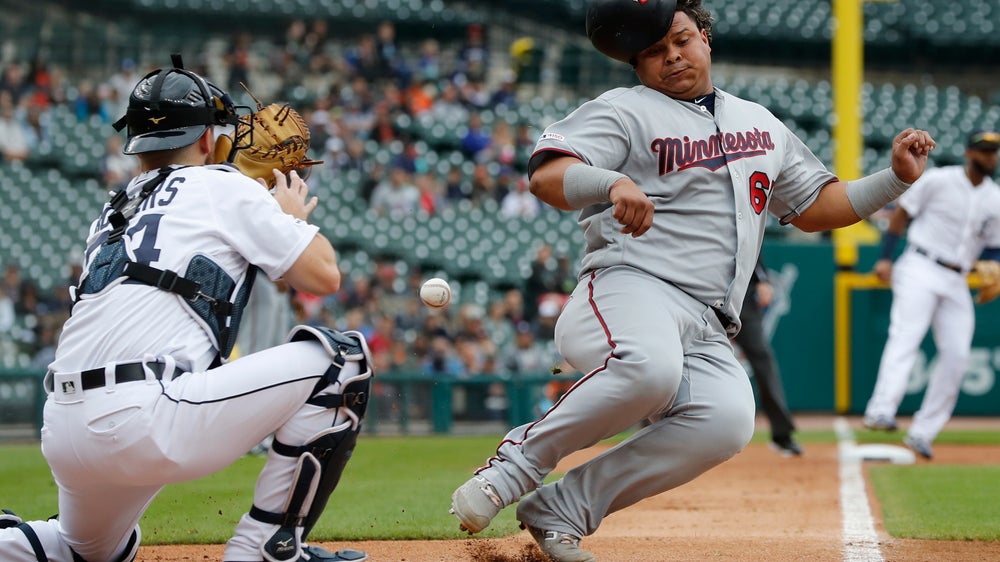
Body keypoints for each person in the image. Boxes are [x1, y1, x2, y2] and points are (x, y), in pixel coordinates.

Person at [448, 1, 935, 560]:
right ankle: (511, 470)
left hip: (708, 321)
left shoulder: (759, 123)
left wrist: (894, 178)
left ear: (705, 36)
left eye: (680, 39)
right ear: (637, 65)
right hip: (628, 288)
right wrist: (610, 182)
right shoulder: (624, 110)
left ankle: (565, 508)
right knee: (649, 368)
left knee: (726, 420)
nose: (671, 57)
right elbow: (547, 175)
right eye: (653, 52)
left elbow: (816, 206)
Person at [0, 60, 373, 562]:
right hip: (144, 416)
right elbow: (324, 276)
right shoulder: (221, 185)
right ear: (207, 139)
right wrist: (286, 217)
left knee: (83, 551)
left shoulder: (111, 213)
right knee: (342, 359)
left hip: (65, 430)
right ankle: (265, 546)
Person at [862, 129, 1000, 460]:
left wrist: (994, 269)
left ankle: (923, 432)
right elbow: (901, 215)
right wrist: (885, 258)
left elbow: (994, 247)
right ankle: (880, 410)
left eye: (994, 151)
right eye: (983, 151)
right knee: (905, 337)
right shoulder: (939, 180)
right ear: (969, 153)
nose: (990, 157)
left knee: (957, 357)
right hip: (921, 265)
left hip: (958, 279)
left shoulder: (996, 197)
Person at [734, 257, 801, 457]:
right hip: (703, 294)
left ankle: (782, 435)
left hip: (741, 298)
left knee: (763, 360)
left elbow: (749, 243)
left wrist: (762, 279)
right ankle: (652, 426)